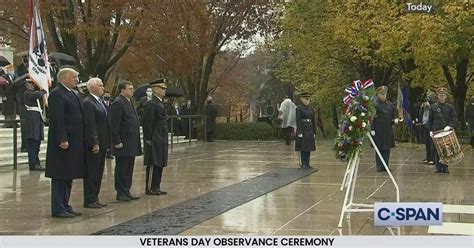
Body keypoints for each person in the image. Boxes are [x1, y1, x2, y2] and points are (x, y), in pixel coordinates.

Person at [45, 68, 86, 218]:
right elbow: (58, 119)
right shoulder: (57, 94)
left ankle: (65, 204)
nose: (76, 80)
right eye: (74, 77)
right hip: (63, 142)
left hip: (74, 142)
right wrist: (62, 138)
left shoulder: (72, 93)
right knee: (60, 175)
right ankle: (58, 207)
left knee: (69, 174)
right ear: (64, 79)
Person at [109, 81, 142, 201]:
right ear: (122, 90)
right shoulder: (118, 103)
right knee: (122, 168)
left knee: (129, 168)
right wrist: (116, 140)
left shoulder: (129, 102)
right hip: (123, 142)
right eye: (130, 89)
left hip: (131, 142)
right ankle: (121, 192)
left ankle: (127, 190)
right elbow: (114, 124)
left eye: (132, 88)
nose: (132, 91)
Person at [82, 78, 109, 208]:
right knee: (92, 172)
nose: (103, 88)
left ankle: (95, 197)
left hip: (103, 141)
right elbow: (90, 124)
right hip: (95, 143)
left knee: (99, 171)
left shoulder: (100, 102)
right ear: (92, 88)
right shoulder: (88, 102)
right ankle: (90, 198)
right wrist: (94, 142)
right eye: (100, 86)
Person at [142, 78, 168, 195]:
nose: (164, 90)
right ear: (155, 89)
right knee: (154, 162)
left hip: (161, 135)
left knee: (160, 161)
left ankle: (156, 186)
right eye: (162, 88)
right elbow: (148, 123)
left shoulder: (160, 102)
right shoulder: (151, 104)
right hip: (154, 136)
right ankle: (151, 187)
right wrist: (148, 138)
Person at [429, 86, 458, 174]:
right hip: (436, 131)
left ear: (446, 96)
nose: (442, 97)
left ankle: (445, 168)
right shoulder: (433, 107)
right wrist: (430, 130)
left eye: (443, 95)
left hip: (446, 132)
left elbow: (454, 118)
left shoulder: (450, 107)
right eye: (440, 95)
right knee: (437, 150)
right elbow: (430, 119)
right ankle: (438, 168)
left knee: (446, 150)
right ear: (437, 96)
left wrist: (450, 126)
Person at [371, 86, 398, 172]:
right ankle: (379, 165)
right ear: (378, 94)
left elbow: (393, 116)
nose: (384, 96)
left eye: (385, 94)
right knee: (379, 148)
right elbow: (372, 118)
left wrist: (395, 120)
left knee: (387, 149)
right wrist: (372, 129)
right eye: (382, 94)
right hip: (378, 130)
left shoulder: (389, 105)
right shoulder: (375, 104)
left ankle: (386, 165)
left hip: (387, 130)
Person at [23, 80, 47, 171]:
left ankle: (36, 163)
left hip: (37, 117)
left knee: (37, 143)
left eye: (33, 83)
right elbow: (38, 95)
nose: (32, 85)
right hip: (32, 118)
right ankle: (33, 164)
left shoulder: (34, 92)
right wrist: (43, 89)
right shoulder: (27, 93)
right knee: (32, 142)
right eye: (30, 83)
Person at [295, 92, 316, 168]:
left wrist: (314, 131)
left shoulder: (311, 109)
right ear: (301, 99)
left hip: (310, 128)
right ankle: (303, 163)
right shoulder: (299, 108)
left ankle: (307, 163)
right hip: (303, 128)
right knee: (303, 147)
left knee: (309, 147)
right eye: (305, 99)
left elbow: (313, 120)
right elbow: (298, 120)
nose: (307, 100)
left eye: (308, 99)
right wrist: (299, 131)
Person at [14, 57, 29, 152]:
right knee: (24, 126)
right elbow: (16, 84)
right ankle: (25, 146)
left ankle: (28, 145)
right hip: (23, 104)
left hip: (30, 104)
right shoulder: (19, 70)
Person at [419, 96, 434, 164]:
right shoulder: (423, 109)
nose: (425, 103)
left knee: (431, 144)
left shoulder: (431, 109)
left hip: (430, 128)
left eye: (426, 102)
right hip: (424, 127)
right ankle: (428, 157)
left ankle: (432, 158)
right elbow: (420, 115)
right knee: (427, 143)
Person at [103, 91, 114, 159]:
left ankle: (109, 153)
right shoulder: (100, 102)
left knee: (110, 139)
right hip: (103, 124)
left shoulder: (112, 103)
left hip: (110, 123)